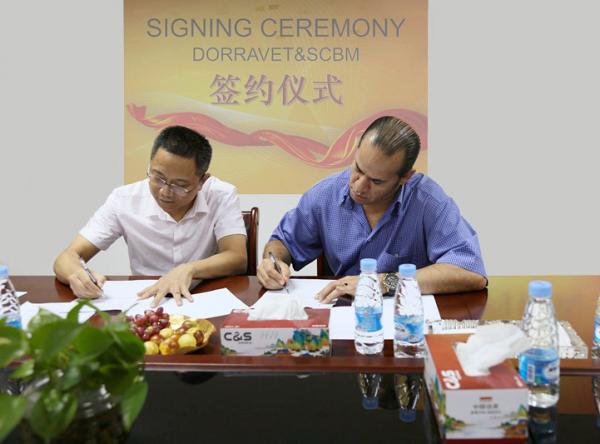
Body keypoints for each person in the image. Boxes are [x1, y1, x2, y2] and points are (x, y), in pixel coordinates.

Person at [257, 116, 487, 302]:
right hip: (342, 312)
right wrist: (273, 263)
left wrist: (383, 282)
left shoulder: (428, 202)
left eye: (376, 181)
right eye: (358, 169)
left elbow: (470, 272)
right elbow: (282, 243)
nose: (359, 186)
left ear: (405, 177)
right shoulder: (325, 195)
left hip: (406, 319)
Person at [54, 126, 247, 306]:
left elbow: (237, 257)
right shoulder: (124, 199)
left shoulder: (220, 195)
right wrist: (77, 275)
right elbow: (67, 257)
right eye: (158, 178)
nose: (165, 191)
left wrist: (189, 269)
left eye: (180, 185)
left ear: (202, 181)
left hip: (204, 298)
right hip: (147, 302)